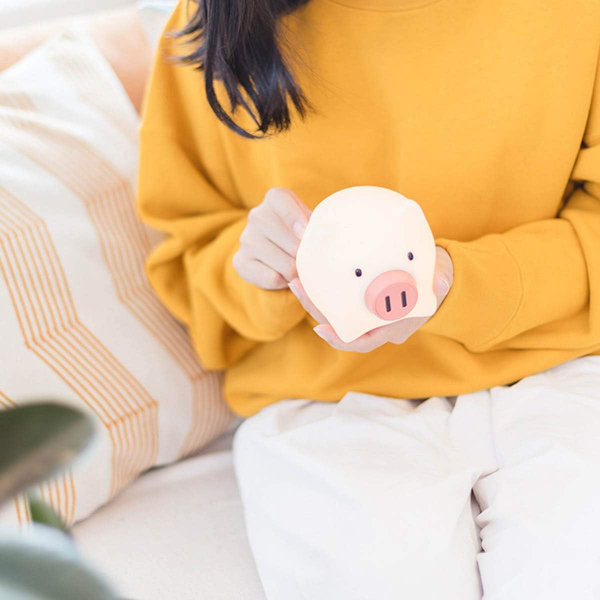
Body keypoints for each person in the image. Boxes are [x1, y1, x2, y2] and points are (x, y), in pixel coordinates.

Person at [136, 0, 600, 597]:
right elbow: (186, 251)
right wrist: (262, 272)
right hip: (327, 400)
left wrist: (459, 281)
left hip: (556, 363)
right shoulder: (214, 20)